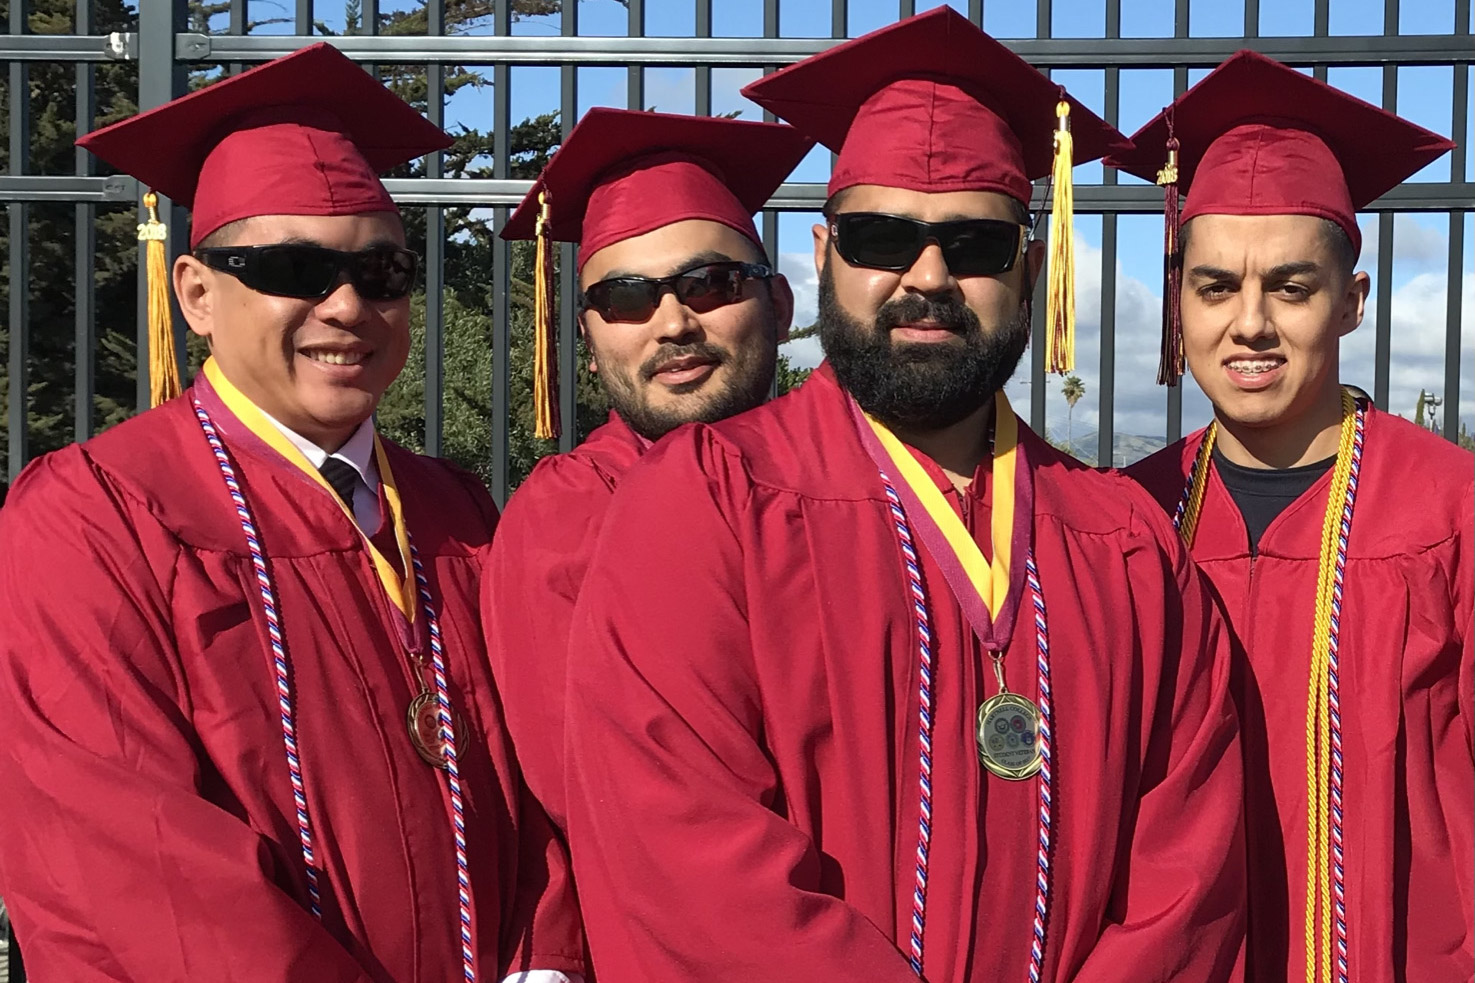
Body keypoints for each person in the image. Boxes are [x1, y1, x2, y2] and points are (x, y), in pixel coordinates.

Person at [558, 9, 1247, 982]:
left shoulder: (1127, 543)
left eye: (974, 244)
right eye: (879, 236)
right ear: (820, 254)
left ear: (1032, 267)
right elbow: (683, 861)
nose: (925, 276)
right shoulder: (700, 508)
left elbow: (1190, 878)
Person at [0, 44, 582, 983]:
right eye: (292, 267)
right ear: (195, 292)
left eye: (382, 270)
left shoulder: (454, 511)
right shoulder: (94, 515)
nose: (347, 304)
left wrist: (547, 960)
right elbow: (138, 865)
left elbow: (553, 781)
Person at [1112, 50, 1472, 983]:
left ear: (1351, 303)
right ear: (1178, 303)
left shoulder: (1451, 511)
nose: (1250, 323)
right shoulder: (1128, 518)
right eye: (1215, 285)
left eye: (1290, 286)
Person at [486, 108, 810, 830]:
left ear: (778, 304)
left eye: (709, 283)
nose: (672, 323)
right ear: (590, 336)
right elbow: (613, 810)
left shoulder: (848, 491)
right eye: (625, 298)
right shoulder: (564, 521)